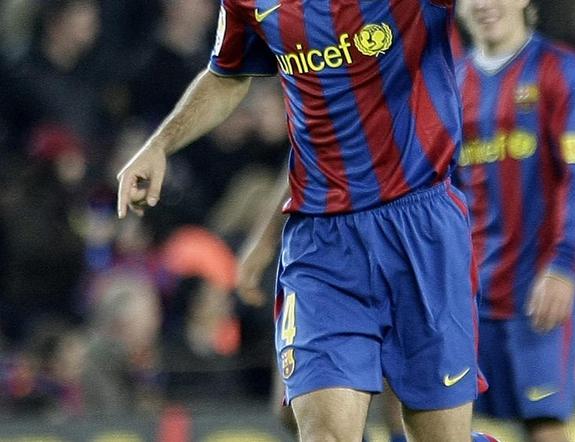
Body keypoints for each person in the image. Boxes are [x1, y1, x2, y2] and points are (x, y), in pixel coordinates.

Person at [116, 0, 495, 440]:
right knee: (320, 431)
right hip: (322, 241)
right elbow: (228, 74)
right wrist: (160, 145)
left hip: (420, 229)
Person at [454, 0, 575, 440]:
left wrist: (563, 264)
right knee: (451, 424)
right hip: (467, 293)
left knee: (544, 425)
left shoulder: (559, 69)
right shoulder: (451, 82)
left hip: (538, 287)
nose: (483, 5)